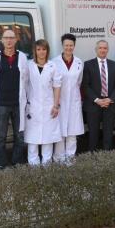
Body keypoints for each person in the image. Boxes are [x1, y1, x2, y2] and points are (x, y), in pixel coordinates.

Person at [0, 29, 29, 169]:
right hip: (2, 104)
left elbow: (26, 78)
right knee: (1, 136)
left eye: (11, 37)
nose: (9, 40)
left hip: (18, 103)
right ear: (2, 40)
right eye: (6, 38)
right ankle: (0, 163)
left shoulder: (22, 57)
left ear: (16, 40)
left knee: (19, 135)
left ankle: (17, 161)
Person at [24, 39, 63, 166]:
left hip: (49, 106)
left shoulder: (52, 66)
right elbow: (24, 84)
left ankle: (47, 165)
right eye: (39, 49)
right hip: (33, 107)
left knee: (48, 138)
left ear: (47, 51)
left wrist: (56, 105)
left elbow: (57, 86)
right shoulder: (29, 65)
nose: (41, 52)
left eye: (44, 49)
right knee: (32, 139)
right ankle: (33, 166)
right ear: (35, 51)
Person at [81, 40, 115, 151]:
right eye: (100, 48)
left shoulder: (114, 65)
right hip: (93, 104)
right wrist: (97, 100)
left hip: (110, 104)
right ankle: (92, 156)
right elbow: (85, 85)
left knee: (108, 133)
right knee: (93, 133)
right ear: (96, 50)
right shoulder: (88, 64)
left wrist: (110, 99)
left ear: (107, 50)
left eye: (105, 48)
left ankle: (106, 157)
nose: (102, 50)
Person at [51, 33, 85, 164]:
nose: (69, 47)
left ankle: (70, 159)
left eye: (71, 45)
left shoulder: (78, 62)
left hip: (74, 102)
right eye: (66, 45)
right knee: (59, 132)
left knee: (72, 132)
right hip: (59, 101)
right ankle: (59, 159)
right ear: (62, 46)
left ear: (74, 46)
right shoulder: (54, 62)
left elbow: (79, 81)